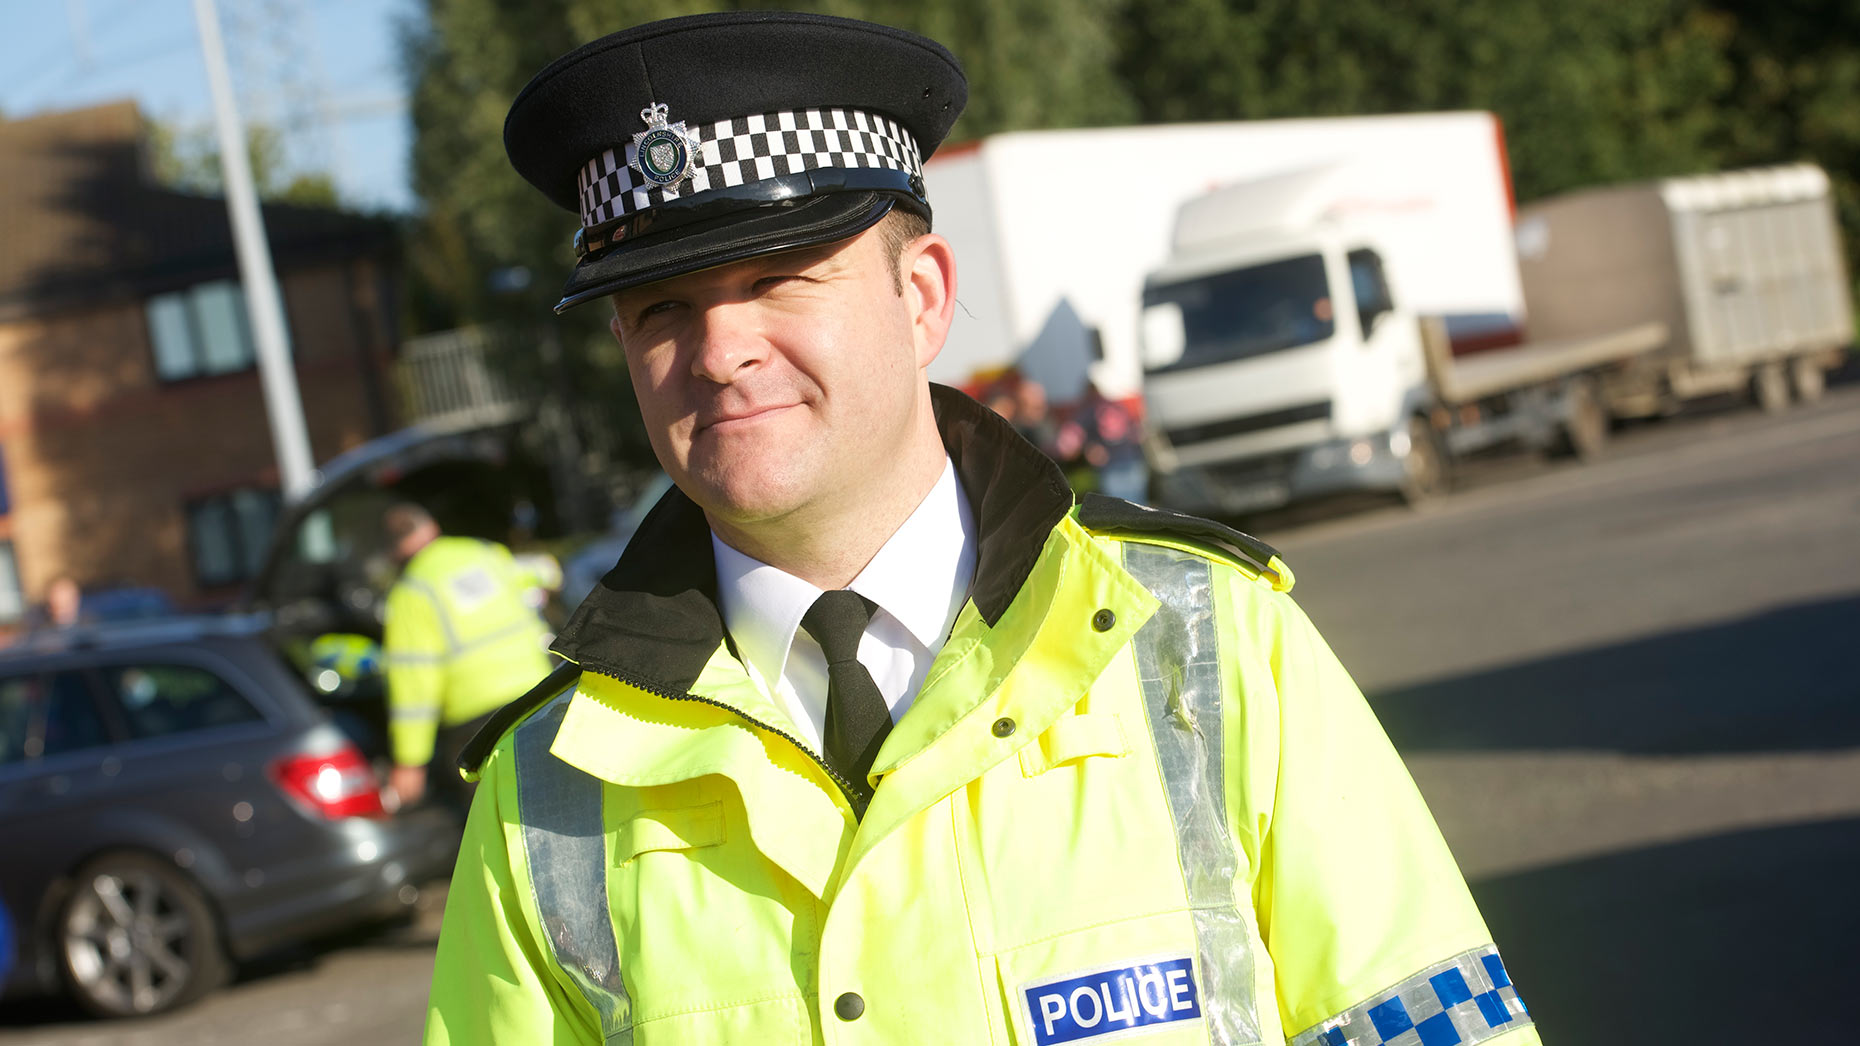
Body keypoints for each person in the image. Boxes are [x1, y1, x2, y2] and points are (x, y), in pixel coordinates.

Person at [425, 13, 1541, 1046]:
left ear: (922, 298)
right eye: (661, 308)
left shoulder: (1209, 643)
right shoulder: (548, 792)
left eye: (779, 279)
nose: (719, 351)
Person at [379, 503, 554, 816]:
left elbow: (414, 688)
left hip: (477, 726)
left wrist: (410, 762)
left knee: (500, 822)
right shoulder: (483, 552)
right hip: (539, 695)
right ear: (430, 526)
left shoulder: (410, 593)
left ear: (392, 550)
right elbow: (542, 572)